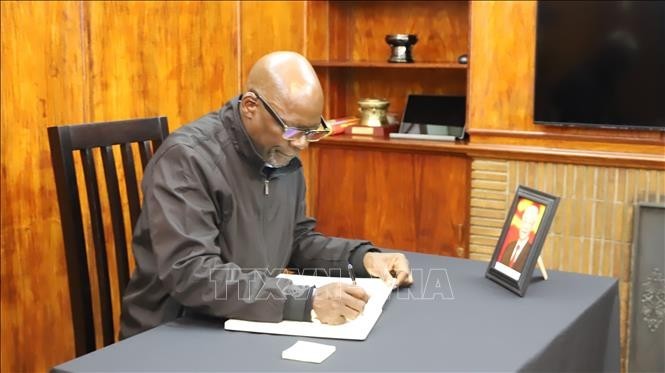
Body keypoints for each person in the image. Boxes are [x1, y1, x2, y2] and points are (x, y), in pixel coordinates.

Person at [120, 51, 413, 339]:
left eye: (312, 132)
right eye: (293, 131)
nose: (302, 145)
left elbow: (295, 240)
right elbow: (193, 274)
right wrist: (303, 301)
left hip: (244, 319)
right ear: (250, 106)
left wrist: (362, 260)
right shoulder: (187, 160)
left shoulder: (279, 152)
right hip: (176, 332)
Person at [498, 204, 540, 273]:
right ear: (521, 223)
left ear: (532, 227)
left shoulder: (530, 252)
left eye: (529, 224)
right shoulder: (509, 246)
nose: (525, 227)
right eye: (524, 222)